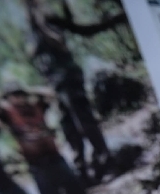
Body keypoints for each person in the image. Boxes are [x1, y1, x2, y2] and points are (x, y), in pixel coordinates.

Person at [24, 0, 120, 183]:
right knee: (69, 127)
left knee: (84, 121)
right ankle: (83, 170)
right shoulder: (32, 31)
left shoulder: (50, 21)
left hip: (68, 79)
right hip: (56, 85)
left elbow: (81, 30)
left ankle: (107, 163)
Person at [0, 80, 86, 194]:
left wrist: (30, 90)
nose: (18, 98)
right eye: (14, 96)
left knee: (78, 193)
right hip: (36, 164)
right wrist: (0, 95)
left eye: (20, 95)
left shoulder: (37, 105)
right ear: (8, 98)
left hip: (55, 157)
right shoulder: (7, 115)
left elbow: (52, 95)